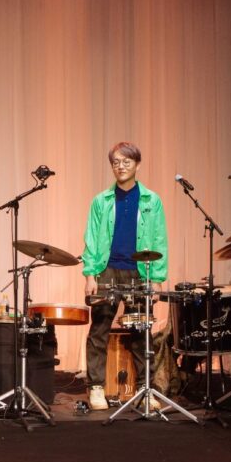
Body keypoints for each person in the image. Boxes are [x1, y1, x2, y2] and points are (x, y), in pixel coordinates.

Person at [81, 142, 168, 410]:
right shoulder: (101, 200)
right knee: (99, 330)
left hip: (140, 271)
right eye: (116, 162)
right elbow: (92, 239)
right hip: (107, 269)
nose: (121, 166)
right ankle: (96, 387)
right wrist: (90, 274)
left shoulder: (151, 200)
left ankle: (146, 388)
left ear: (137, 165)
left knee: (141, 333)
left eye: (126, 161)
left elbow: (159, 239)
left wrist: (157, 277)